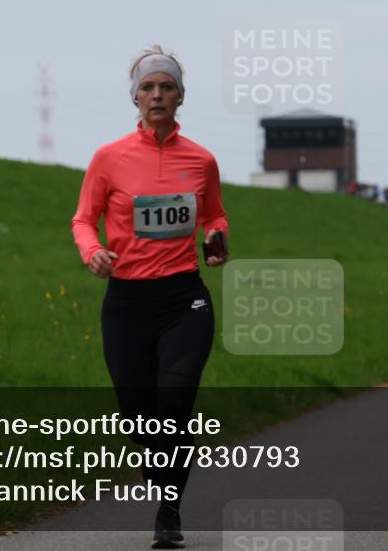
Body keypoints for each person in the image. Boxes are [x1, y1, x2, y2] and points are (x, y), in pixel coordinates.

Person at [71, 45, 229, 549]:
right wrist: (92, 251)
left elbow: (215, 216)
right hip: (127, 304)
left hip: (184, 298)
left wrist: (216, 237)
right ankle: (162, 468)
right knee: (140, 419)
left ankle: (168, 511)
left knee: (174, 405)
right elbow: (82, 220)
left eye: (166, 87)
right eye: (147, 87)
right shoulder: (109, 157)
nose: (157, 95)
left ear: (181, 97)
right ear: (135, 97)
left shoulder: (201, 160)